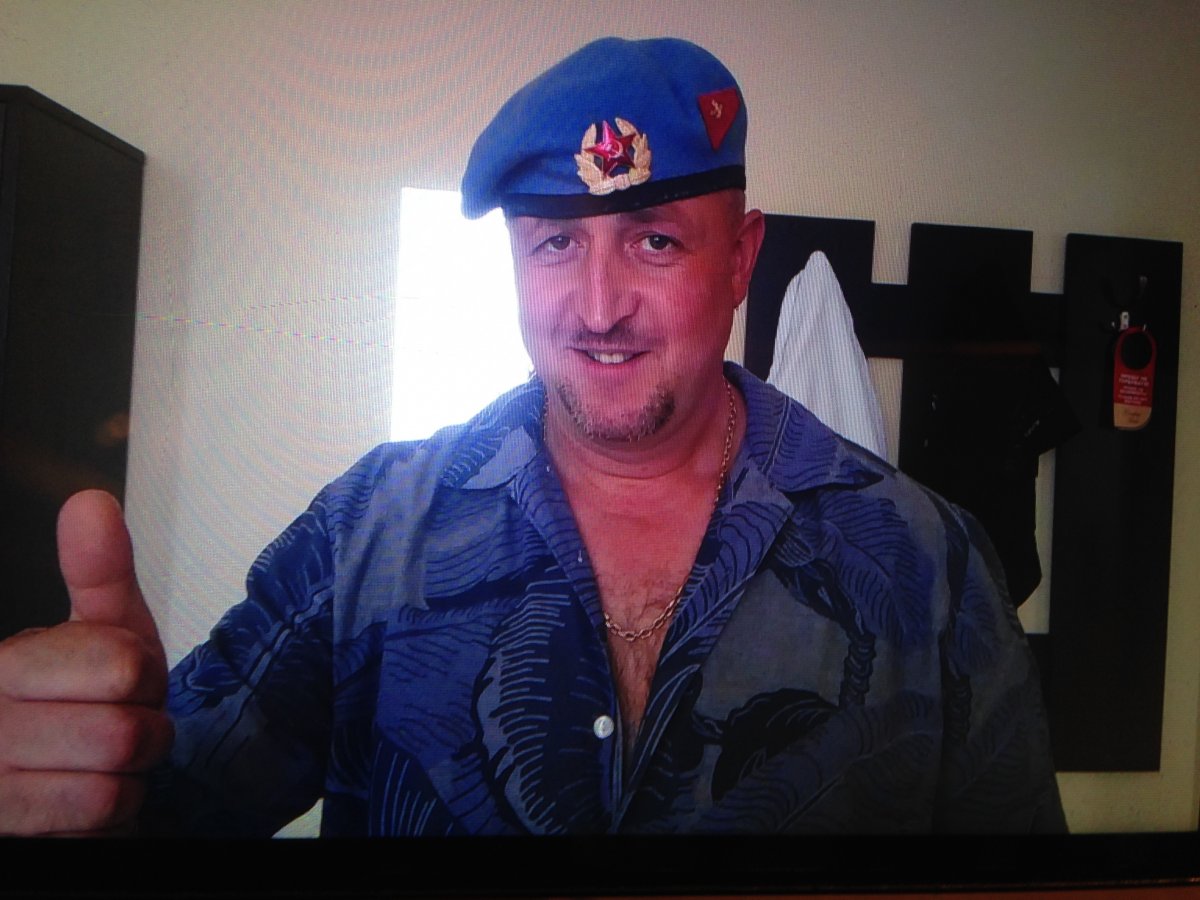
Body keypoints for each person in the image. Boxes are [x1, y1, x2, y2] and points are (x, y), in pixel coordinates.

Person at [0, 37, 1065, 836]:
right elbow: (169, 802)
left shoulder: (926, 561)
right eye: (555, 243)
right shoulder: (372, 531)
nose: (598, 308)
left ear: (741, 260)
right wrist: (96, 774)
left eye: (655, 241)